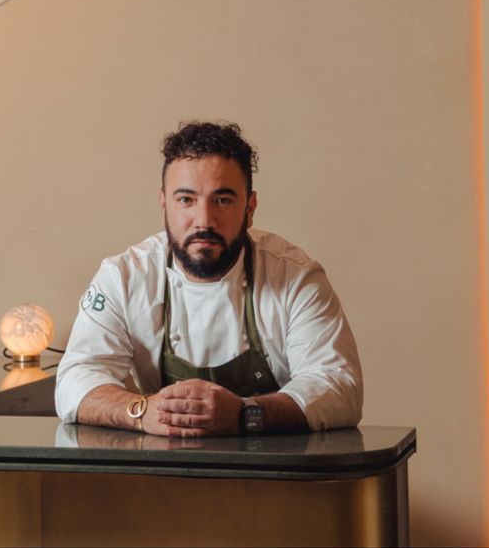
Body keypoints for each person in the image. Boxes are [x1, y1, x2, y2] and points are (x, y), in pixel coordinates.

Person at [55, 121, 363, 436]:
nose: (204, 221)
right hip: (161, 474)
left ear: (250, 207)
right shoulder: (123, 276)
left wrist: (246, 414)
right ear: (164, 205)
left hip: (276, 476)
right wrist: (143, 412)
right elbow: (75, 380)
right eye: (186, 200)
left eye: (223, 200)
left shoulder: (295, 277)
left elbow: (339, 387)